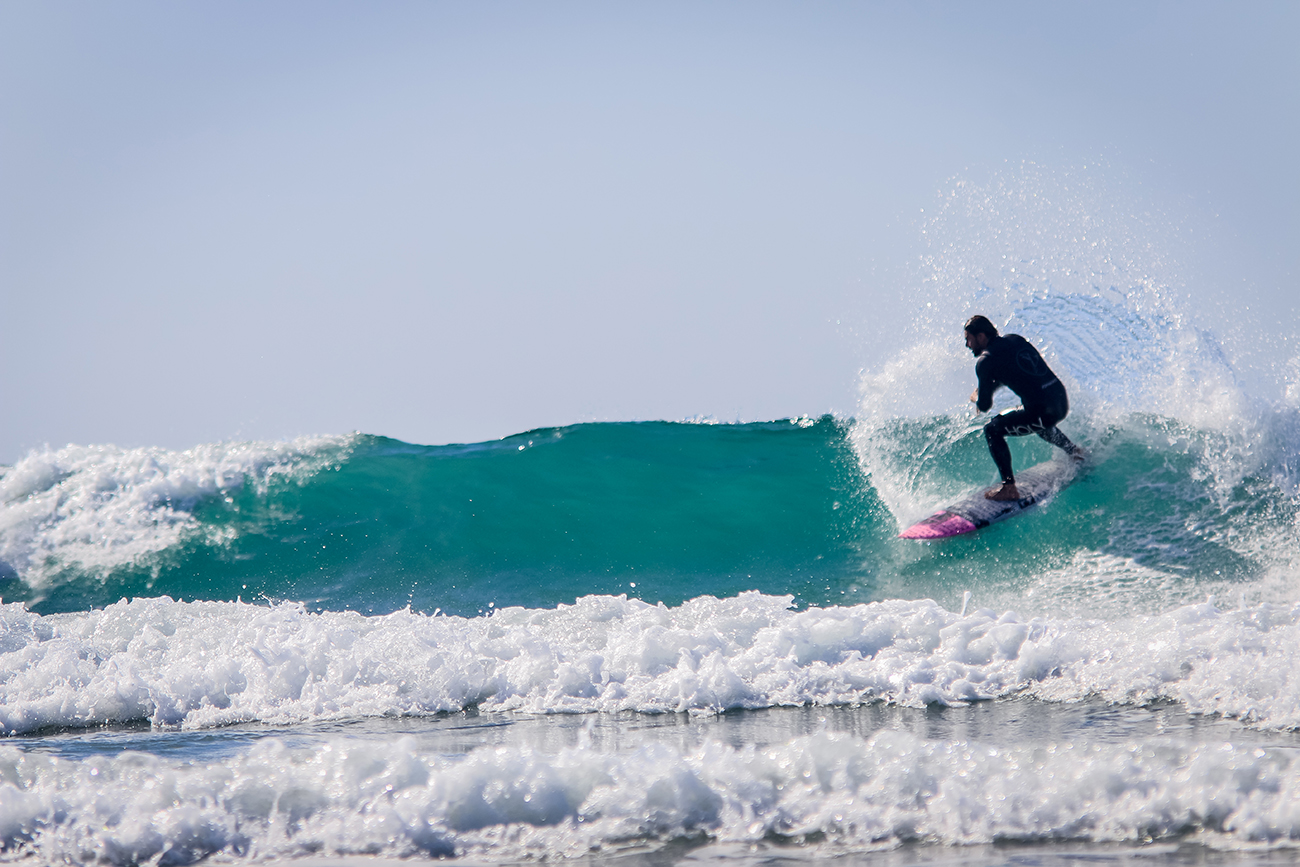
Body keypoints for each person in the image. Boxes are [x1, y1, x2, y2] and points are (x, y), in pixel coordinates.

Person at [964, 315, 1085, 501]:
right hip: (1060, 400)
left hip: (1043, 411)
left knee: (991, 430)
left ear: (980, 337)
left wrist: (978, 398)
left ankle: (1009, 488)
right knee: (1033, 418)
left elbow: (985, 405)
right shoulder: (1015, 339)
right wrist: (988, 386)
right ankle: (1075, 451)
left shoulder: (984, 362)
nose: (967, 345)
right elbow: (1014, 373)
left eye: (968, 339)